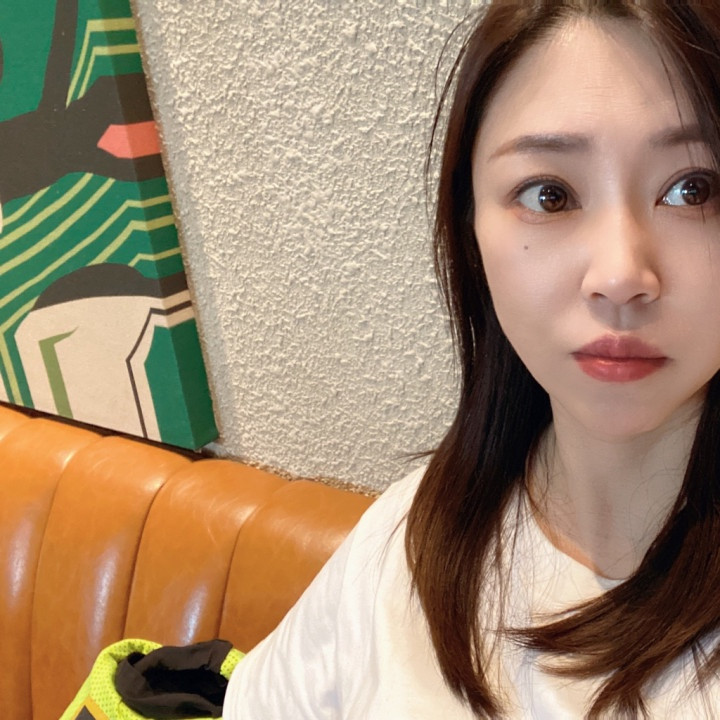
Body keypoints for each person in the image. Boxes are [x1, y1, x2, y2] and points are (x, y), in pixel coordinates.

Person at [223, 2, 720, 717]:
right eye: (550, 194)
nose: (619, 275)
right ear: (472, 232)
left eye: (694, 188)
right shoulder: (407, 539)